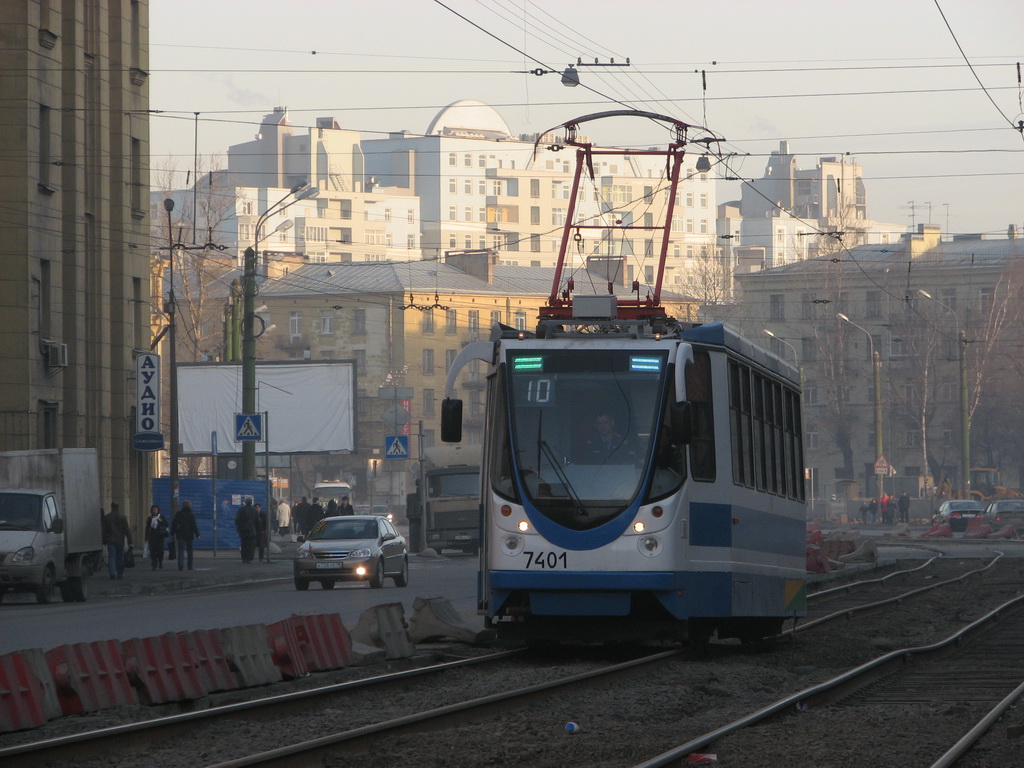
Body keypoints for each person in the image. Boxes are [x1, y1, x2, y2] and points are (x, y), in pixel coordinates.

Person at [102, 502, 132, 580]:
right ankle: (120, 573)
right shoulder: (122, 517)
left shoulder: (107, 517)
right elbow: (127, 530)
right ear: (118, 507)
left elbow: (104, 530)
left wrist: (103, 540)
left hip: (110, 539)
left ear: (111, 507)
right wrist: (130, 541)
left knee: (111, 556)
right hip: (120, 540)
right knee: (120, 557)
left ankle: (112, 572)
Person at [170, 500, 200, 571]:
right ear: (190, 506)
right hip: (189, 535)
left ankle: (180, 565)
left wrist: (172, 532)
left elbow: (174, 524)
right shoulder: (191, 515)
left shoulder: (178, 514)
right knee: (190, 551)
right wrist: (197, 534)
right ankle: (190, 566)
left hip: (180, 535)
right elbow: (194, 525)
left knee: (181, 550)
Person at [235, 497, 259, 563]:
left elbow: (237, 520)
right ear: (251, 503)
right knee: (251, 545)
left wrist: (239, 528)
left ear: (245, 503)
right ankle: (249, 558)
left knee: (244, 544)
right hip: (252, 530)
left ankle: (244, 558)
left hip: (243, 530)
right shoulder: (254, 511)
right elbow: (257, 522)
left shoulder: (241, 510)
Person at [146, 504, 169, 570]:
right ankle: (154, 564)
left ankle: (160, 562)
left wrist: (161, 521)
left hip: (160, 537)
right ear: (152, 511)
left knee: (160, 551)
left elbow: (166, 525)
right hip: (152, 537)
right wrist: (146, 538)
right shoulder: (150, 518)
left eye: (156, 509)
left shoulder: (161, 517)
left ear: (158, 510)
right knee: (152, 551)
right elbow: (147, 528)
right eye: (154, 510)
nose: (155, 511)